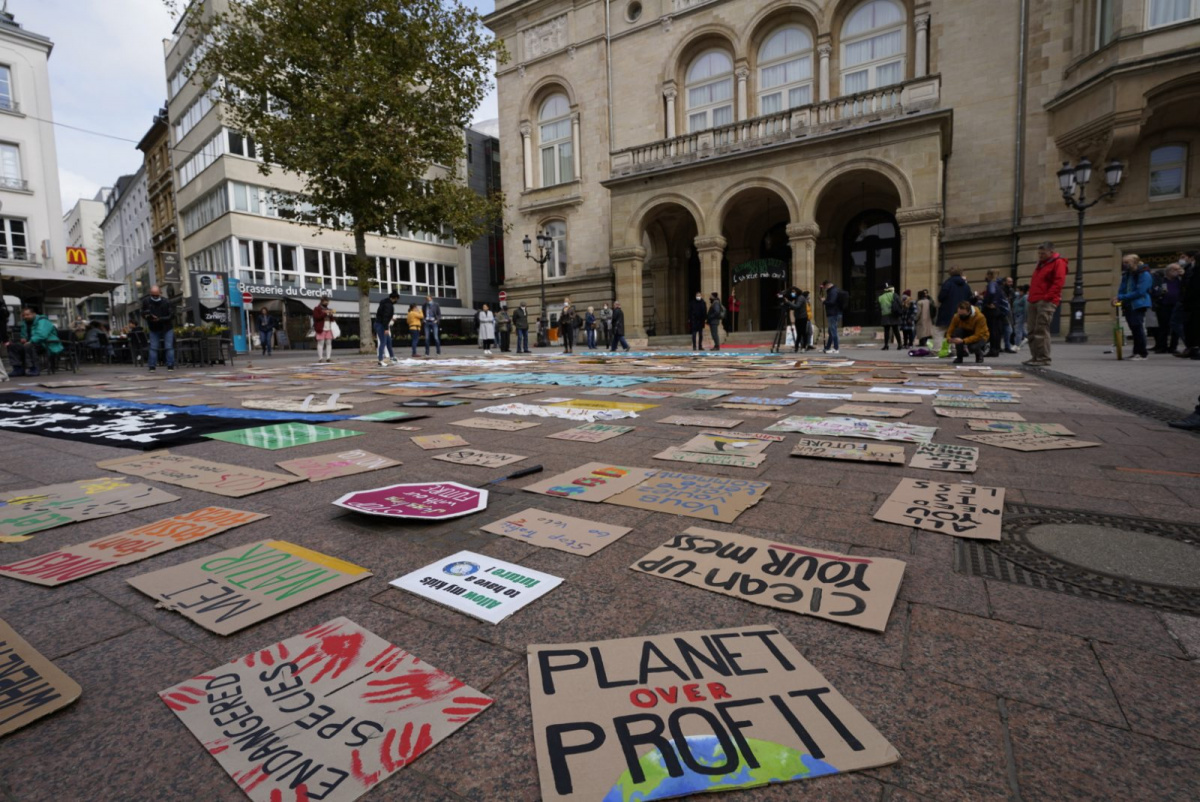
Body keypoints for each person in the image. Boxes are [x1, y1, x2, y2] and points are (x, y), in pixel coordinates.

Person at [1024, 243, 1068, 366]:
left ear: (1051, 252)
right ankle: (1035, 357)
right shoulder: (1041, 264)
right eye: (1039, 253)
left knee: (1041, 329)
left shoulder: (1058, 262)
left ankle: (1043, 358)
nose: (1040, 256)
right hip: (1034, 299)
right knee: (1031, 330)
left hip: (1045, 301)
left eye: (1043, 253)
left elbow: (1058, 282)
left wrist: (1047, 297)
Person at [1115, 254, 1152, 360]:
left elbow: (1140, 291)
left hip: (1138, 304)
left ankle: (1142, 353)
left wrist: (1122, 296)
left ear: (1134, 262)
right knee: (1134, 329)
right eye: (1124, 262)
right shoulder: (1127, 274)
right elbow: (1122, 288)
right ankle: (1136, 352)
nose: (1124, 264)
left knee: (1138, 328)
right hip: (1128, 304)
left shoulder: (1144, 274)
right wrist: (1118, 297)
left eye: (1127, 262)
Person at [7, 307, 62, 376]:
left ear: (34, 314)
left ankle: (34, 368)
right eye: (23, 315)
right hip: (32, 344)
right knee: (13, 346)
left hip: (46, 344)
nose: (25, 317)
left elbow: (41, 334)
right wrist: (23, 338)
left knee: (29, 345)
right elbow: (23, 334)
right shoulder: (25, 323)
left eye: (27, 314)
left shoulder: (43, 321)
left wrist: (31, 341)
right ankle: (18, 369)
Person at [936, 265, 973, 355]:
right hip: (961, 312)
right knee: (954, 331)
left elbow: (941, 297)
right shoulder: (966, 285)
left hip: (947, 310)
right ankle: (954, 350)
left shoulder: (948, 283)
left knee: (940, 331)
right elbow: (969, 299)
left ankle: (936, 350)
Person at [141, 285, 175, 371]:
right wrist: (147, 315)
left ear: (160, 293)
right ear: (150, 294)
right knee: (153, 347)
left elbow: (171, 315)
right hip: (153, 327)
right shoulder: (146, 301)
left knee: (169, 347)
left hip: (166, 327)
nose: (155, 297)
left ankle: (170, 365)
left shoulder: (167, 302)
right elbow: (142, 313)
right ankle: (152, 366)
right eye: (153, 295)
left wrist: (160, 319)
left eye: (156, 295)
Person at [1154, 263, 1183, 354]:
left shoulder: (1181, 280)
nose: (1177, 271)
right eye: (1174, 269)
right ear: (1168, 271)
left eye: (1178, 269)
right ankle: (1162, 347)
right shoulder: (1161, 280)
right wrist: (1159, 292)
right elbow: (1154, 290)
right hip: (1164, 305)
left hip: (1177, 306)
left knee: (1176, 327)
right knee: (1163, 327)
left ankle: (1173, 347)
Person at [982, 269, 1010, 357]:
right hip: (998, 310)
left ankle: (993, 350)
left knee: (992, 330)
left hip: (991, 310)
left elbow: (991, 292)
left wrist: (988, 302)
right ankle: (996, 349)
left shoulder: (992, 283)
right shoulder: (998, 284)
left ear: (989, 275)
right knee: (997, 330)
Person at [820, 280, 847, 354]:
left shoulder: (832, 291)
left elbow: (832, 302)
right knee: (831, 331)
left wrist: (824, 301)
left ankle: (836, 348)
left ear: (828, 285)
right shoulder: (835, 290)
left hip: (833, 313)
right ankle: (828, 347)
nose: (825, 288)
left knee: (833, 331)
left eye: (825, 287)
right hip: (835, 313)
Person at [375, 290, 398, 366]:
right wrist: (386, 328)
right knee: (383, 342)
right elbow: (385, 317)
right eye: (396, 299)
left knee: (388, 341)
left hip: (379, 324)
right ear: (394, 298)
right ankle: (380, 360)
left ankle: (392, 357)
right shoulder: (389, 306)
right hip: (382, 325)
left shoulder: (384, 303)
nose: (396, 301)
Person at [878, 283, 902, 350]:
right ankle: (899, 344)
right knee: (896, 330)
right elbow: (900, 304)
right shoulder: (894, 295)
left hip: (885, 314)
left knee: (886, 330)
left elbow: (879, 307)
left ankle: (886, 345)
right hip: (893, 314)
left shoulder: (880, 297)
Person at [313, 295, 335, 363]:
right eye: (326, 302)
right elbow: (316, 317)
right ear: (322, 301)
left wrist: (331, 314)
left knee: (329, 343)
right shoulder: (317, 309)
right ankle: (320, 358)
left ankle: (328, 357)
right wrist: (325, 314)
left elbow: (332, 320)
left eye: (328, 302)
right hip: (321, 328)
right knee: (320, 343)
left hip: (329, 328)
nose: (327, 303)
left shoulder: (328, 309)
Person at [1012, 284, 1029, 349]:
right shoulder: (1018, 297)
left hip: (1021, 315)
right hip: (1016, 314)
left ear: (1022, 291)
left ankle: (1016, 345)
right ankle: (1031, 337)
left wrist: (1026, 317)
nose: (1017, 292)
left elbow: (1026, 307)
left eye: (1019, 291)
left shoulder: (1025, 297)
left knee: (1018, 329)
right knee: (1022, 329)